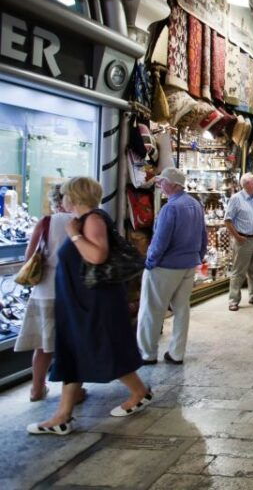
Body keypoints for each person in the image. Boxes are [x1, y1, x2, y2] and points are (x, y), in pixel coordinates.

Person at [28, 177, 152, 435]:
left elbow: (97, 255)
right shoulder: (84, 220)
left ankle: (139, 392)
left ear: (74, 196)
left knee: (101, 348)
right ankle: (63, 416)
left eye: (64, 195)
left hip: (95, 302)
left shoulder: (92, 220)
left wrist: (73, 236)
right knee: (74, 353)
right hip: (81, 301)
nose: (61, 199)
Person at [137, 168, 206, 365]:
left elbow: (160, 241)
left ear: (175, 185)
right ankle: (177, 352)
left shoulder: (171, 208)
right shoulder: (195, 204)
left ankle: (147, 353)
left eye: (163, 181)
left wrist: (150, 262)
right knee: (182, 309)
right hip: (188, 265)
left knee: (152, 309)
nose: (159, 184)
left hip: (166, 266)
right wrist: (197, 257)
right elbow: (203, 237)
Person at [14, 185, 74, 402]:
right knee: (71, 345)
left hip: (44, 291)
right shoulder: (80, 222)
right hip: (70, 292)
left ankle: (37, 389)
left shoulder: (46, 222)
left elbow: (30, 255)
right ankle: (73, 392)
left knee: (43, 345)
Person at [224, 173, 253, 311]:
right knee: (239, 272)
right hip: (243, 239)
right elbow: (227, 220)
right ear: (247, 184)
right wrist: (237, 237)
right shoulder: (236, 199)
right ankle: (233, 300)